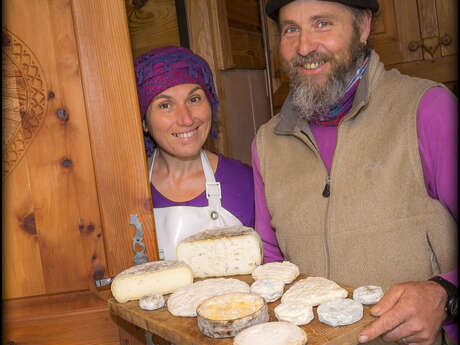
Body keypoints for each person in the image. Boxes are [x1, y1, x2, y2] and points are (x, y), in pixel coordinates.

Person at [253, 1, 458, 344]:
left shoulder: (428, 108)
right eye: (291, 29)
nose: (304, 47)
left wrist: (444, 294)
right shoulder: (267, 143)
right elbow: (271, 264)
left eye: (322, 24)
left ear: (362, 27)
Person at [134, 46, 254, 261]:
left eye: (194, 99)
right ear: (143, 121)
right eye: (166, 105)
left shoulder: (246, 183)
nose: (187, 119)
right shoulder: (125, 194)